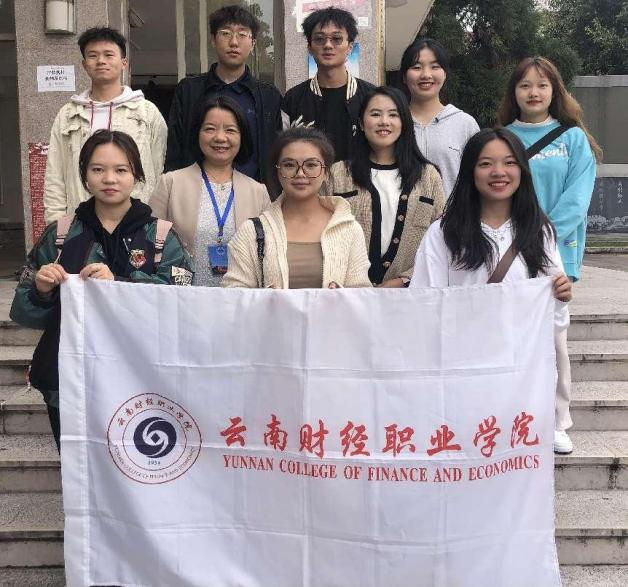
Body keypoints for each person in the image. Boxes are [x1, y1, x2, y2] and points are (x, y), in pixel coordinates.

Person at [11, 130, 193, 451]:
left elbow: (182, 303)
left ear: (136, 174)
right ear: (84, 175)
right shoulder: (60, 235)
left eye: (121, 170)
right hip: (69, 379)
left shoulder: (160, 237)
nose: (109, 179)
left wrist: (119, 285)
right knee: (77, 467)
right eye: (98, 169)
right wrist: (40, 290)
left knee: (136, 467)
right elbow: (22, 311)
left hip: (141, 379)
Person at [410, 128, 573, 454]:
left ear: (522, 171)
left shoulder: (539, 231)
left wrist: (560, 295)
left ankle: (551, 421)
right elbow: (423, 304)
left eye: (509, 163)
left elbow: (552, 318)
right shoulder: (443, 233)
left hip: (520, 368)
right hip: (462, 368)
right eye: (486, 164)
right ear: (470, 171)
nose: (499, 172)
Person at [44, 27, 167, 224]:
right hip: (80, 222)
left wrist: (152, 223)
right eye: (93, 56)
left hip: (135, 223)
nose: (101, 61)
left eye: (109, 55)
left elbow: (158, 171)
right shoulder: (68, 114)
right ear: (84, 65)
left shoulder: (146, 112)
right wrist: (56, 224)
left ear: (124, 62)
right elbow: (55, 174)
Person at [222, 128, 371, 289]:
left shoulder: (349, 229)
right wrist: (263, 297)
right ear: (278, 171)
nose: (300, 173)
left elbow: (361, 292)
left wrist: (340, 294)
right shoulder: (253, 231)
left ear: (326, 173)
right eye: (289, 165)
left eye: (311, 165)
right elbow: (234, 292)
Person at [497, 56, 602, 283]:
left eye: (542, 85)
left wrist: (541, 236)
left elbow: (577, 200)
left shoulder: (573, 138)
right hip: (510, 249)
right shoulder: (501, 138)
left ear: (554, 92)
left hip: (559, 249)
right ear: (514, 92)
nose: (533, 93)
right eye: (525, 86)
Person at [326, 86, 445, 287]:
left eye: (393, 115)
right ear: (361, 123)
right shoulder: (338, 173)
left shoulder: (427, 176)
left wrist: (404, 280)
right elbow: (322, 232)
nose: (384, 121)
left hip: (410, 293)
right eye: (375, 114)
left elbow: (440, 239)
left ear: (404, 122)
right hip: (348, 292)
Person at [150, 96, 270, 286]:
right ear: (197, 133)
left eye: (230, 130)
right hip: (182, 296)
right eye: (210, 129)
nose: (220, 137)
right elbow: (149, 245)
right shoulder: (170, 183)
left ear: (242, 136)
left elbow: (268, 255)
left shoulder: (258, 192)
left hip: (240, 298)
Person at [165, 4, 282, 186]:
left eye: (242, 34)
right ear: (213, 39)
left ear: (252, 43)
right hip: (197, 192)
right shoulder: (189, 90)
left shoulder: (269, 96)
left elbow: (277, 152)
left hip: (254, 194)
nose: (234, 42)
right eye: (226, 33)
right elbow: (175, 148)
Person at [281, 7, 374, 163]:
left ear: (350, 47)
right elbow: (283, 151)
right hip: (307, 178)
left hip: (360, 178)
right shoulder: (293, 99)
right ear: (309, 47)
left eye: (337, 39)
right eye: (319, 39)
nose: (328, 45)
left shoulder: (370, 96)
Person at [399, 38, 479, 198]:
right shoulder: (393, 123)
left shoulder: (464, 124)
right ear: (404, 77)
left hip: (452, 214)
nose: (426, 75)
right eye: (416, 67)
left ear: (445, 74)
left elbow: (477, 179)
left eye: (435, 67)